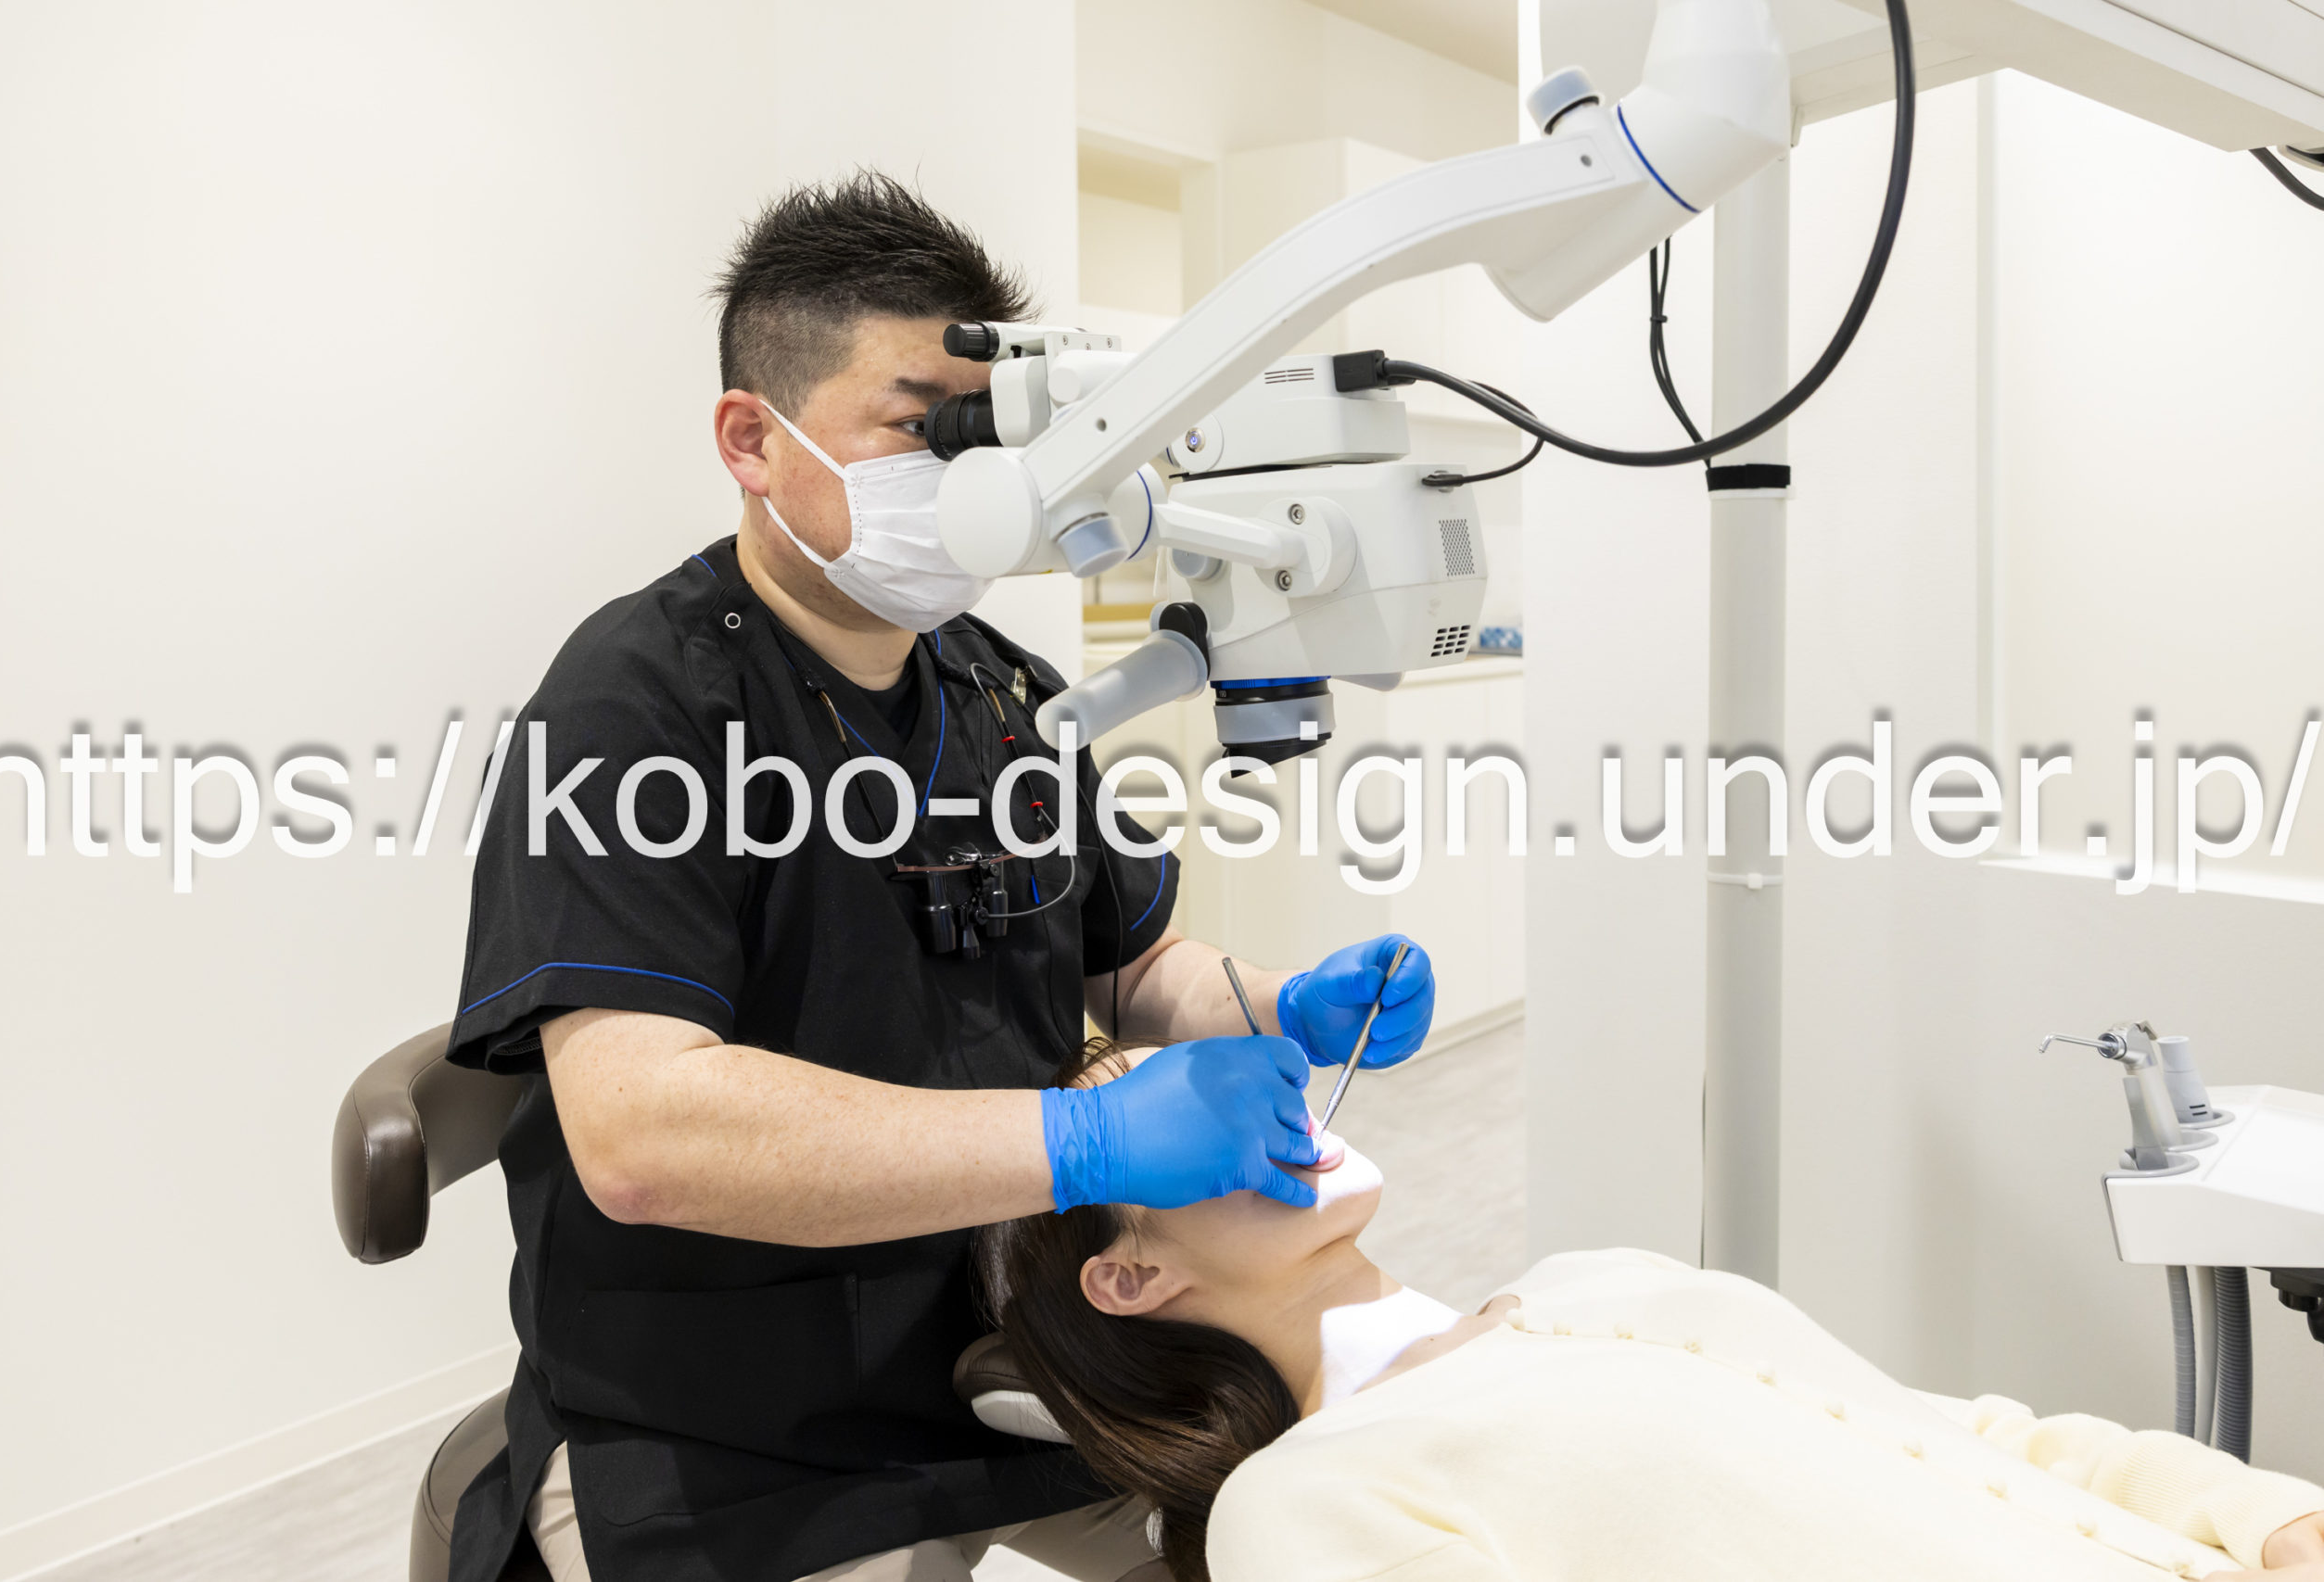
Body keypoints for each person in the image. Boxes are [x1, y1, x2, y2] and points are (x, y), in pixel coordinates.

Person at [440, 171, 1440, 1582]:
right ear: (753, 440)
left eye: (992, 436)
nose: (977, 485)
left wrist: (1287, 1003)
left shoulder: (998, 691)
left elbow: (1132, 966)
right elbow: (644, 1137)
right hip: (734, 1438)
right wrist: (1083, 1142)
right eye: (923, 430)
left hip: (1020, 1368)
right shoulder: (636, 708)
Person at [982, 1042, 2324, 1582]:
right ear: (1132, 1276)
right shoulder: (1302, 1506)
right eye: (1182, 1111)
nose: (1259, 1096)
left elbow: (1984, 1437)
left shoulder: (1598, 1279)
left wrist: (2272, 1521)